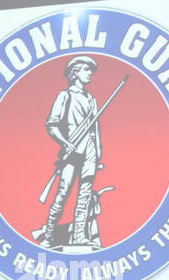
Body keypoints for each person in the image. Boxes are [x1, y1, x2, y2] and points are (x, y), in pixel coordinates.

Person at [41, 55, 102, 250]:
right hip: (72, 150)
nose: (90, 73)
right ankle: (49, 236)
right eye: (86, 69)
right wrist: (65, 143)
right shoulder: (65, 96)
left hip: (90, 152)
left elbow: (96, 130)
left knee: (84, 194)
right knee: (63, 193)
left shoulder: (92, 100)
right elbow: (52, 124)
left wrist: (98, 154)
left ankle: (79, 236)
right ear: (75, 72)